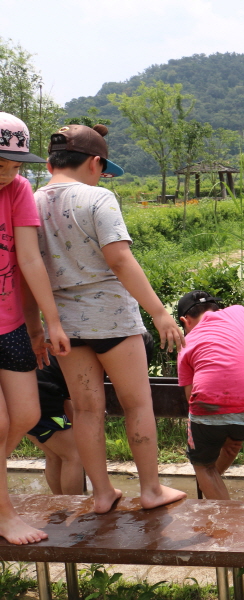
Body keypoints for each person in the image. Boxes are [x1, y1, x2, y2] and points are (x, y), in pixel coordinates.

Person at [34, 123, 186, 514]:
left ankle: (102, 495)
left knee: (86, 410)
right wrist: (160, 312)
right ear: (95, 162)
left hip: (65, 325)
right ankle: (150, 490)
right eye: (103, 168)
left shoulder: (31, 202)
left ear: (52, 161)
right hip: (114, 321)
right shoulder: (99, 198)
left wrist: (40, 325)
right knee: (137, 405)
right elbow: (119, 259)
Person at [0, 112, 71, 545]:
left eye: (14, 165)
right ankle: (5, 515)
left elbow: (29, 260)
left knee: (25, 415)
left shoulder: (18, 190)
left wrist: (49, 321)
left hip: (8, 326)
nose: (8, 173)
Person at [176, 290, 244, 500]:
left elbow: (191, 398)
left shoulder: (186, 343)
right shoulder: (240, 312)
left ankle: (225, 520)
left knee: (203, 465)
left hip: (208, 411)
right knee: (232, 443)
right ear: (217, 307)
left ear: (184, 321)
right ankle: (215, 493)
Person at [25, 355, 83, 495]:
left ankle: (60, 505)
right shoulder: (84, 359)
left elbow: (66, 399)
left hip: (19, 399)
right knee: (74, 455)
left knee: (54, 455)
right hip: (41, 400)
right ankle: (74, 510)